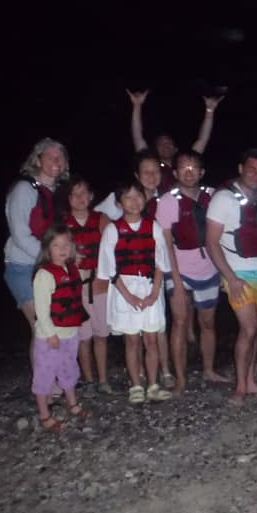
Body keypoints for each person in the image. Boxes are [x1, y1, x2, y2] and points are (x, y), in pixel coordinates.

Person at [96, 150, 175, 387]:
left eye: (137, 196)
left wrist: (154, 293)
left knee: (152, 337)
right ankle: (136, 384)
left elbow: (161, 262)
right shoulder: (113, 229)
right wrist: (129, 296)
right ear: (119, 202)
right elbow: (109, 269)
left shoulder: (154, 225)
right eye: (128, 198)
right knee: (132, 340)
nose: (134, 201)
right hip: (124, 288)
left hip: (150, 285)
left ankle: (156, 381)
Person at [205, 149, 257, 405]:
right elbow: (211, 242)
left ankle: (251, 380)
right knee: (249, 327)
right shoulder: (223, 198)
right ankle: (240, 388)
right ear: (240, 168)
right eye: (251, 169)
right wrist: (231, 279)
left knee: (255, 329)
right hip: (237, 272)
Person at [156, 150, 226, 392]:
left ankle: (209, 370)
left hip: (209, 266)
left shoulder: (213, 196)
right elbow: (166, 243)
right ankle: (180, 378)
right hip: (180, 268)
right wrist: (175, 281)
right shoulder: (168, 201)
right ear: (175, 173)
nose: (189, 172)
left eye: (193, 167)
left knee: (207, 322)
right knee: (180, 321)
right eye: (183, 168)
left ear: (202, 172)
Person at [4, 138, 70, 364]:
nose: (56, 161)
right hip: (23, 267)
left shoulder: (61, 192)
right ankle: (45, 382)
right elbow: (20, 235)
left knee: (56, 325)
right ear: (38, 160)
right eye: (50, 156)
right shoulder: (24, 189)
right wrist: (52, 259)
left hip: (51, 266)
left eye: (60, 157)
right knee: (42, 326)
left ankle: (58, 377)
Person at [31, 226, 92, 432]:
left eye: (66, 244)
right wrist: (50, 335)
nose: (62, 249)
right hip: (50, 336)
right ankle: (44, 415)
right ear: (47, 249)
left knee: (69, 370)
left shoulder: (72, 269)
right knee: (44, 375)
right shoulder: (44, 275)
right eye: (56, 245)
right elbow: (41, 310)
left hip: (70, 332)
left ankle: (72, 404)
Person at [63, 177, 111, 393]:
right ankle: (90, 380)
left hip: (99, 285)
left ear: (91, 196)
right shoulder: (62, 224)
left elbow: (113, 251)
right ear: (68, 199)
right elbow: (53, 255)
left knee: (101, 335)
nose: (79, 198)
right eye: (74, 194)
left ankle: (103, 380)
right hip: (76, 289)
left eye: (83, 193)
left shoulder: (102, 220)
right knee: (84, 338)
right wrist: (70, 258)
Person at [127, 89, 225, 192]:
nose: (165, 146)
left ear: (175, 148)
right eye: (161, 144)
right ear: (155, 149)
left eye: (168, 143)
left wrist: (210, 110)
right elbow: (138, 137)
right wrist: (137, 106)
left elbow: (202, 140)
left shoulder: (185, 162)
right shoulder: (151, 166)